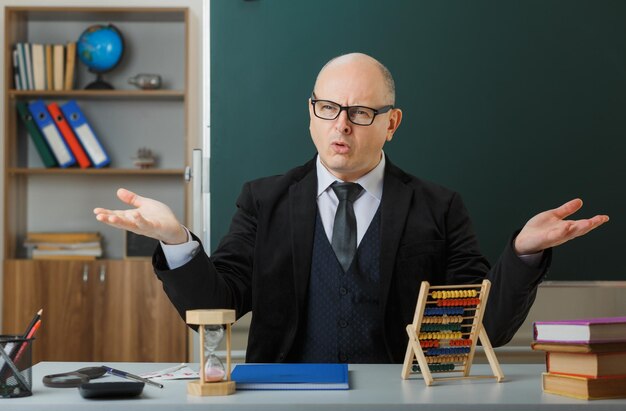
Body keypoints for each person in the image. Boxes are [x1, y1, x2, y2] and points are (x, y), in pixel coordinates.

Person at [94, 53, 608, 364]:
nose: (342, 125)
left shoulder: (439, 207)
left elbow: (480, 330)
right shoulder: (263, 200)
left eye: (361, 112)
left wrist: (521, 254)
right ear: (312, 115)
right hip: (285, 401)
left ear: (392, 122)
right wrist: (176, 242)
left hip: (403, 401)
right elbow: (217, 306)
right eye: (329, 109)